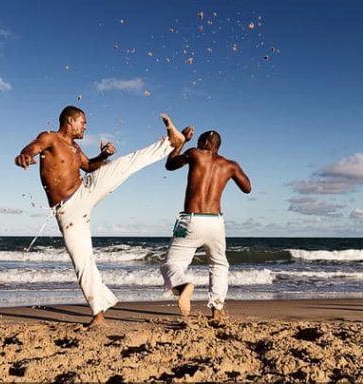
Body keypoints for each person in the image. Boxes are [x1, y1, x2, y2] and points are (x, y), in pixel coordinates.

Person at [15, 106, 185, 326]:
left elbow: (90, 167)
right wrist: (25, 155)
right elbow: (34, 147)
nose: (85, 126)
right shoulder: (50, 138)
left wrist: (104, 155)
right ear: (70, 121)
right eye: (83, 122)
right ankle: (99, 313)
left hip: (85, 189)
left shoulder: (75, 148)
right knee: (83, 262)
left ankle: (170, 143)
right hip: (68, 211)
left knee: (124, 166)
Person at [160, 119, 251, 320]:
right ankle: (217, 310)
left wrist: (182, 141)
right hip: (215, 222)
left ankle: (183, 285)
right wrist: (232, 171)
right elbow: (247, 188)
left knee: (171, 264)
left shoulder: (194, 153)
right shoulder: (230, 165)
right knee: (219, 265)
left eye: (200, 142)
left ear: (204, 144)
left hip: (192, 219)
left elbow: (170, 164)